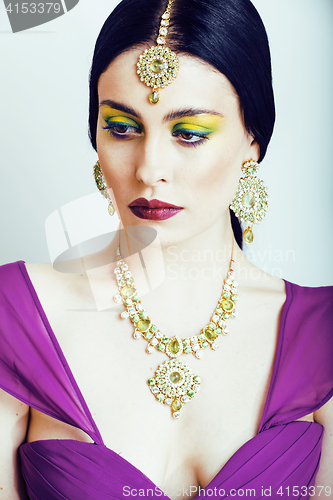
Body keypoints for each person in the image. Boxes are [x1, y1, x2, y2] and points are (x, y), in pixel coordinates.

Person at [0, 0, 332, 498]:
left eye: (189, 134)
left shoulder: (321, 335)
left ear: (252, 140)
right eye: (122, 127)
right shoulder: (18, 316)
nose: (149, 168)